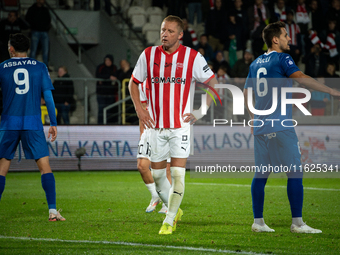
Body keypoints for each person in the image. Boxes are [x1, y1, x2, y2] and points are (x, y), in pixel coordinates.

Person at [244, 21, 340, 234]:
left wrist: (253, 118)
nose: (289, 39)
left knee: (260, 174)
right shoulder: (282, 58)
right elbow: (302, 79)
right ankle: (297, 223)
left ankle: (258, 222)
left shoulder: (255, 63)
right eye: (286, 35)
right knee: (295, 172)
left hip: (261, 127)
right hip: (280, 125)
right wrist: (331, 91)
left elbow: (246, 94)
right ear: (275, 39)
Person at [129, 15, 217, 235]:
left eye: (169, 31)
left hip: (180, 127)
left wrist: (201, 111)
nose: (164, 34)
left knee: (177, 174)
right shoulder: (148, 55)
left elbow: (214, 84)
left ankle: (169, 219)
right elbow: (133, 83)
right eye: (162, 30)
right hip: (156, 127)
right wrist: (139, 109)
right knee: (158, 176)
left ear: (180, 35)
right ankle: (174, 209)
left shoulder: (193, 57)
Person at [0, 33, 65, 221]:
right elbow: (49, 98)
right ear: (28, 49)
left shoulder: (2, 67)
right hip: (32, 122)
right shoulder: (39, 67)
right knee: (45, 167)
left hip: (9, 123)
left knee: (2, 168)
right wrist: (53, 122)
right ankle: (52, 211)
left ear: (11, 48)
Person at [137, 81, 170, 214]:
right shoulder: (142, 83)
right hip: (148, 130)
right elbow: (142, 108)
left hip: (165, 129)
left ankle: (168, 204)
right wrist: (142, 132)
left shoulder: (167, 79)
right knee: (142, 166)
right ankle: (155, 195)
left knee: (165, 169)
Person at [25, 0, 51, 68]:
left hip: (44, 31)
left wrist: (46, 27)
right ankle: (31, 65)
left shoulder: (45, 10)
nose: (43, 1)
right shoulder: (32, 9)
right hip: (35, 31)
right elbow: (27, 18)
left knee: (46, 50)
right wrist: (33, 26)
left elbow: (49, 19)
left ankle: (46, 66)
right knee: (34, 49)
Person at [96, 54, 117, 124]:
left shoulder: (114, 67)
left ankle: (107, 124)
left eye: (109, 61)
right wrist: (108, 77)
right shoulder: (100, 67)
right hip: (101, 93)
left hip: (110, 93)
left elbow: (115, 76)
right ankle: (100, 124)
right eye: (106, 61)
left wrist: (104, 78)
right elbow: (98, 75)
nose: (107, 62)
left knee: (109, 110)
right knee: (101, 110)